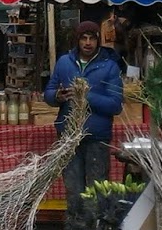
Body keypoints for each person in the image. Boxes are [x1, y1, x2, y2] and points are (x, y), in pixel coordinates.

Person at [44, 21, 123, 230]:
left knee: (96, 189)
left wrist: (86, 96)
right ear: (77, 40)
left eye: (92, 38)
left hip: (96, 137)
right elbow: (49, 93)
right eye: (83, 38)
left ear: (98, 40)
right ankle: (75, 226)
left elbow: (115, 105)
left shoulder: (109, 66)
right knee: (74, 189)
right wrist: (57, 96)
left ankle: (97, 226)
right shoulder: (64, 62)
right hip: (69, 137)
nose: (88, 43)